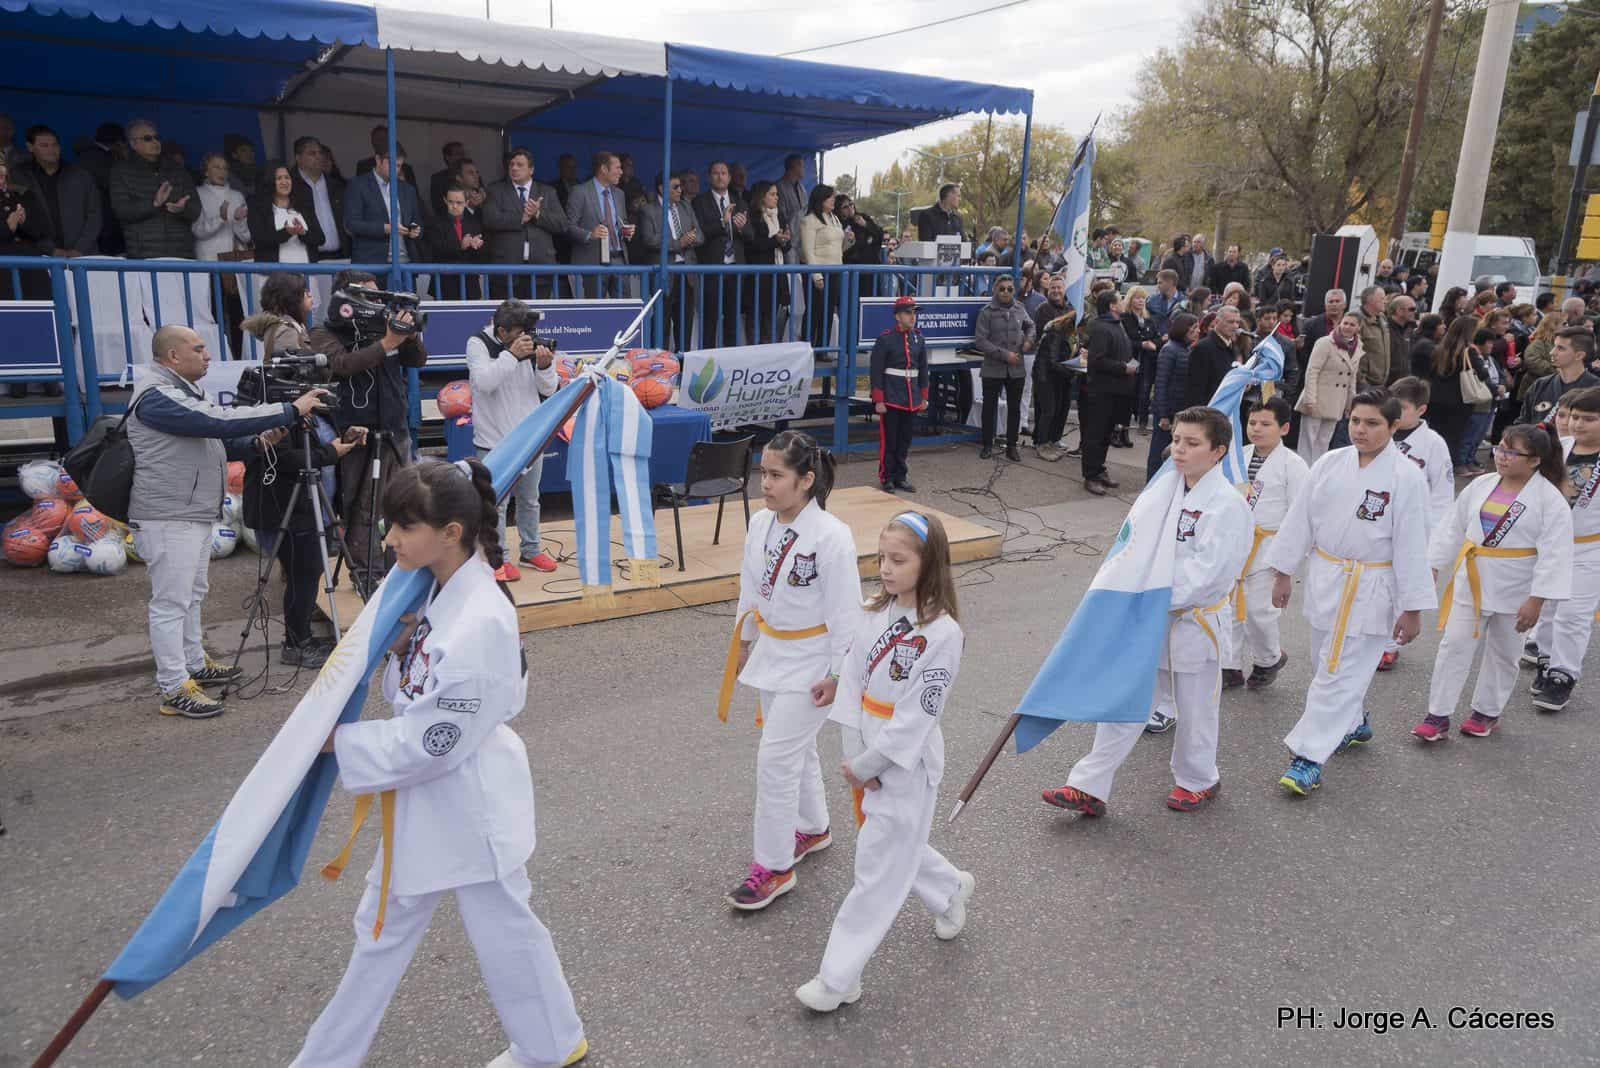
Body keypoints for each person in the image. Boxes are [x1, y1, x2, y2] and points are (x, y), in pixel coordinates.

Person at [291, 458, 587, 1068]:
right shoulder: (440, 589)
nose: (390, 539)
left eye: (405, 526)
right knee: (391, 931)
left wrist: (340, 743)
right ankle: (551, 1043)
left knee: (499, 933)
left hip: (467, 805)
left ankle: (550, 1045)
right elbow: (426, 699)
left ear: (450, 532)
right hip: (432, 801)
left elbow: (435, 740)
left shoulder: (477, 617)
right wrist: (402, 648)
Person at [796, 511, 973, 1013]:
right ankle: (950, 888)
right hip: (866, 747)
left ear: (929, 563)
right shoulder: (873, 611)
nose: (886, 569)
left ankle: (838, 979)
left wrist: (872, 763)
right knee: (893, 847)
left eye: (899, 560)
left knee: (875, 870)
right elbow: (851, 680)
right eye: (881, 558)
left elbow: (918, 716)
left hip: (906, 764)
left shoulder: (944, 634)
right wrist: (854, 754)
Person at [1042, 406, 1253, 817]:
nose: (1179, 450)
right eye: (1176, 440)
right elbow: (1133, 547)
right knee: (1124, 700)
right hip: (1149, 618)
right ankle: (1088, 785)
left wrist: (1151, 596)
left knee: (1195, 709)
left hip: (1194, 621)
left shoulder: (1228, 505)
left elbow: (1209, 575)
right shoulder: (1163, 492)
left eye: (1192, 443)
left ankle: (1198, 779)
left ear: (1218, 452)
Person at [129, 325, 324, 718]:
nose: (208, 356)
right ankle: (174, 686)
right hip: (169, 515)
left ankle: (193, 663)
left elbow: (216, 442)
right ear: (173, 356)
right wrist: (290, 409)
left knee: (192, 594)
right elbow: (218, 421)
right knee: (171, 602)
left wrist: (259, 442)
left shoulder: (185, 391)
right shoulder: (157, 396)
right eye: (199, 349)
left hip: (191, 511)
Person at [718, 431, 862, 910]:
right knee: (795, 752)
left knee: (775, 759)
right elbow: (750, 587)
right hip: (773, 651)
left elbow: (847, 614)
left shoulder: (832, 535)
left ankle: (775, 866)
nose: (765, 483)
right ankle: (814, 827)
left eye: (777, 475)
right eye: (763, 473)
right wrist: (743, 642)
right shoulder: (760, 523)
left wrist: (838, 675)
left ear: (806, 480)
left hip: (814, 661)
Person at [1265, 389, 1434, 796]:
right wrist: (1283, 571)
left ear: (1394, 426)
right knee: (1327, 663)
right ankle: (1353, 723)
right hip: (1327, 577)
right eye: (1356, 421)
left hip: (1372, 586)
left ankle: (1308, 757)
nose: (1361, 430)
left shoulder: (1407, 477)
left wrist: (1412, 608)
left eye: (1372, 423)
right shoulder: (1330, 463)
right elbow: (1300, 519)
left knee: (1336, 674)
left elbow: (1413, 544)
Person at [1412, 423, 1571, 741]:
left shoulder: (1549, 499)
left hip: (1518, 587)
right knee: (1454, 645)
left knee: (1504, 652)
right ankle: (1437, 714)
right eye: (1500, 448)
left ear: (1535, 460)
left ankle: (1486, 711)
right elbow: (1452, 527)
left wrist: (1537, 600)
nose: (1502, 456)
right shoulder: (1481, 485)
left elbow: (1555, 554)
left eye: (1513, 452)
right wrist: (1433, 565)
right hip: (1473, 578)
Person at [241, 274, 366, 667]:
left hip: (294, 487)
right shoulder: (285, 340)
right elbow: (287, 457)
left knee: (307, 567)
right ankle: (297, 644)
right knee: (305, 568)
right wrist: (330, 452)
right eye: (306, 292)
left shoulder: (288, 333)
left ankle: (300, 639)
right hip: (287, 499)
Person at [308, 269, 430, 594]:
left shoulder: (384, 325)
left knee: (404, 502)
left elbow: (418, 360)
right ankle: (365, 573)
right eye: (369, 296)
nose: (376, 304)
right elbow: (341, 364)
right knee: (362, 506)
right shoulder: (324, 331)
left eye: (378, 296)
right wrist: (388, 342)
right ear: (346, 297)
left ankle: (400, 567)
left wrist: (409, 335)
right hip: (355, 430)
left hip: (395, 427)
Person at [466, 299, 560, 580]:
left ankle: (531, 550)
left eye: (526, 333)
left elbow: (548, 389)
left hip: (530, 438)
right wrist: (511, 355)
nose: (524, 339)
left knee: (530, 500)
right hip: (493, 441)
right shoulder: (478, 343)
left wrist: (545, 366)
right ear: (501, 330)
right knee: (496, 504)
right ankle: (499, 558)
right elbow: (485, 383)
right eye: (518, 334)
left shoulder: (528, 341)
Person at [1227, 396, 1310, 691]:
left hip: (1270, 547)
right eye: (1252, 423)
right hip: (1236, 543)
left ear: (1284, 428)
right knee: (1230, 607)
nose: (1257, 429)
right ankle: (1229, 665)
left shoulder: (1293, 465)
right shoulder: (1239, 456)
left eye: (1265, 424)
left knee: (1258, 611)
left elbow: (1300, 514)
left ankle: (1268, 658)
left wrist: (1288, 561)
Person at [1376, 376, 1457, 672]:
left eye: (1404, 408)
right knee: (1375, 584)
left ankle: (1390, 645)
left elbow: (1442, 496)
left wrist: (1434, 546)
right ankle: (1370, 637)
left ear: (1421, 409)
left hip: (1415, 526)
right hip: (1378, 520)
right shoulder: (1381, 432)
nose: (1396, 412)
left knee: (1402, 584)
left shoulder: (1433, 444)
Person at [1527, 387, 1600, 712]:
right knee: (1547, 608)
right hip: (1551, 544)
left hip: (1590, 547)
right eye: (1575, 417)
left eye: (1589, 419)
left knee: (1574, 614)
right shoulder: (1559, 448)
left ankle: (1563, 674)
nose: (1578, 424)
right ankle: (1545, 660)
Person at [481, 147, 568, 300]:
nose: (514, 168)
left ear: (531, 170)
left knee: (536, 314)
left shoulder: (547, 191)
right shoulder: (495, 189)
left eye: (520, 165)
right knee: (507, 313)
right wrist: (521, 218)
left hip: (540, 269)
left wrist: (538, 214)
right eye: (511, 164)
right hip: (506, 269)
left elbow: (562, 224)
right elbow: (489, 219)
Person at [110, 120, 199, 258]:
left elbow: (196, 210)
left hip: (181, 253)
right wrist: (154, 203)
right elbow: (122, 211)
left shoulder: (178, 170)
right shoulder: (121, 171)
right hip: (144, 254)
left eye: (157, 137)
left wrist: (182, 210)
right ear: (133, 144)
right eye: (147, 138)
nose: (155, 142)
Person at [1081, 289, 1138, 495]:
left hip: (1117, 390)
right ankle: (1090, 475)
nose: (1123, 302)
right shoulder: (1100, 327)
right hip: (1102, 391)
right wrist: (1123, 368)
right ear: (1112, 306)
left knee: (1106, 434)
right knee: (1095, 434)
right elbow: (1097, 360)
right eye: (1120, 300)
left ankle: (1099, 469)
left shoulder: (1117, 323)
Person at [869, 296, 928, 492]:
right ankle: (887, 477)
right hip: (892, 397)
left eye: (914, 313)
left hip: (911, 398)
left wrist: (924, 397)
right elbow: (876, 371)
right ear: (897, 316)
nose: (913, 317)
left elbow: (923, 370)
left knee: (905, 440)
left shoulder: (919, 339)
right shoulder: (886, 339)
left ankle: (900, 476)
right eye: (908, 313)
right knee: (890, 441)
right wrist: (879, 400)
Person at [973, 274, 1035, 461]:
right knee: (989, 408)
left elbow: (1031, 326)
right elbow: (981, 341)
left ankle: (1011, 446)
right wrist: (1005, 355)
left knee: (1014, 408)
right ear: (995, 290)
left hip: (1016, 368)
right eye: (1002, 289)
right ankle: (987, 445)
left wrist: (1029, 341)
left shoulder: (1020, 308)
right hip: (993, 367)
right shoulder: (986, 312)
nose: (1006, 292)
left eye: (1009, 289)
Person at [692, 161, 753, 348]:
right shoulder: (699, 202)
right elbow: (700, 233)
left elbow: (751, 235)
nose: (720, 177)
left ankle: (729, 359)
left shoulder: (739, 201)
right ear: (709, 177)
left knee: (732, 318)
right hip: (712, 267)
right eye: (716, 173)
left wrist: (742, 228)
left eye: (724, 173)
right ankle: (708, 357)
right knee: (710, 318)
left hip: (735, 267)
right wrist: (722, 222)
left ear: (729, 177)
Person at [636, 171, 700, 349]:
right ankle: (659, 360)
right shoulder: (648, 210)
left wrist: (692, 238)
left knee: (685, 321)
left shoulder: (685, 206)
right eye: (675, 187)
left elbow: (700, 234)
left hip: (686, 273)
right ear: (662, 188)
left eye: (680, 186)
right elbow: (649, 239)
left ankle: (683, 361)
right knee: (662, 321)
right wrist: (679, 243)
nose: (680, 190)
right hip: (664, 274)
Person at [15, 125, 101, 255]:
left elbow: (95, 215)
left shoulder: (80, 175)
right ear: (30, 147)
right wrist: (49, 249)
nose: (51, 150)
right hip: (39, 256)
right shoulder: (19, 176)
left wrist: (80, 248)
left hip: (83, 254)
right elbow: (20, 219)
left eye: (55, 145)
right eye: (44, 145)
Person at [1295, 311, 1362, 464]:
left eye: (1352, 324)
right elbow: (1312, 371)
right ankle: (1302, 470)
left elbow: (1352, 379)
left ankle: (1318, 469)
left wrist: (1350, 404)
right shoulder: (1325, 342)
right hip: (1317, 397)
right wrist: (1309, 399)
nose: (1347, 327)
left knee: (1324, 441)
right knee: (1308, 440)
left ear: (1358, 327)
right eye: (1345, 323)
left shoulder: (1358, 348)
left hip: (1337, 401)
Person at [564, 151, 633, 296]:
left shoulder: (620, 194)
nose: (621, 172)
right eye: (618, 168)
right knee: (596, 308)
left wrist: (626, 231)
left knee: (625, 308)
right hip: (593, 262)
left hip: (619, 259)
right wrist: (590, 235)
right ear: (603, 169)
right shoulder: (580, 192)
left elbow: (622, 222)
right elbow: (568, 226)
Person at [345, 147, 422, 266]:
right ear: (378, 160)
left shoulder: (407, 189)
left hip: (404, 263)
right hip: (372, 264)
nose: (395, 169)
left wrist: (415, 230)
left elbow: (417, 222)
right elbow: (352, 224)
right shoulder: (358, 185)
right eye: (391, 164)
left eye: (398, 166)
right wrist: (385, 228)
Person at [798, 183, 846, 361]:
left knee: (828, 311)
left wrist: (849, 241)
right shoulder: (809, 220)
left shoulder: (834, 218)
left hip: (835, 271)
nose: (833, 200)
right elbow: (808, 250)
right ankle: (807, 349)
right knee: (814, 311)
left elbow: (837, 248)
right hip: (817, 271)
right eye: (830, 197)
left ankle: (822, 349)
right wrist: (816, 275)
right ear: (821, 199)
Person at [1149, 313, 1198, 480]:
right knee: (1159, 453)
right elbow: (1161, 383)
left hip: (1178, 409)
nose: (1197, 332)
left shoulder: (1186, 349)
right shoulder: (1169, 350)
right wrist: (1163, 414)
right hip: (1167, 411)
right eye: (1193, 329)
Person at [1517, 327, 1599, 426]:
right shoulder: (1540, 384)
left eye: (1560, 348)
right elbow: (1523, 422)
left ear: (1579, 355)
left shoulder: (1595, 389)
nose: (1552, 352)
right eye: (1554, 346)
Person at [745, 179, 792, 344]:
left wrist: (785, 241)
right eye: (772, 194)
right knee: (755, 319)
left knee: (772, 320)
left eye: (777, 194)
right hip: (759, 277)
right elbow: (752, 244)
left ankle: (769, 351)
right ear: (761, 196)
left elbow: (787, 247)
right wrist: (776, 241)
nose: (776, 197)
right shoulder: (752, 216)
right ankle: (755, 352)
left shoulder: (780, 216)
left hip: (777, 275)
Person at [248, 164, 320, 264]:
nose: (284, 182)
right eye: (279, 178)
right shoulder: (258, 207)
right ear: (270, 181)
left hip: (307, 270)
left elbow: (320, 238)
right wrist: (287, 232)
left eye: (287, 177)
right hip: (274, 271)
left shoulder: (303, 206)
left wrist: (303, 233)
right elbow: (260, 239)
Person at [1032, 307, 1079, 462]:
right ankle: (1041, 444)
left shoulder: (1068, 334)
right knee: (1048, 411)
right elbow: (1052, 362)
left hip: (1055, 377)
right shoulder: (1055, 332)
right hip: (1044, 376)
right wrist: (1071, 371)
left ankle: (1049, 441)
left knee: (1057, 410)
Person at [291, 136, 347, 262]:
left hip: (341, 257)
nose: (319, 157)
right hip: (307, 259)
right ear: (298, 158)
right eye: (312, 153)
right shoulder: (290, 187)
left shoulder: (337, 186)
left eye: (320, 153)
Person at [428, 185, 487, 299]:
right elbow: (435, 249)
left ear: (466, 203)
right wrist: (460, 246)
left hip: (469, 285)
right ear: (445, 200)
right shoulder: (435, 222)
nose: (454, 206)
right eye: (451, 202)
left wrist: (477, 246)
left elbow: (483, 255)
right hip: (444, 285)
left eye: (459, 203)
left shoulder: (475, 222)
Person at [192, 153, 251, 262]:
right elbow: (198, 232)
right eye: (217, 167)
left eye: (225, 168)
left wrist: (238, 221)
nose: (222, 172)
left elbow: (246, 237)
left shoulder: (237, 196)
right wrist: (220, 219)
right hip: (208, 259)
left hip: (236, 260)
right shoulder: (197, 193)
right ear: (206, 172)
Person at [1183, 304, 1240, 411]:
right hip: (1209, 410)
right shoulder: (1202, 348)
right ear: (1217, 322)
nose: (1235, 326)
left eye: (1237, 322)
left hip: (1228, 408)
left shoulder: (1233, 346)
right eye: (1230, 322)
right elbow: (1195, 388)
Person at [1124, 286, 1162, 434]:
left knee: (1145, 392)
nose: (1140, 301)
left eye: (1143, 298)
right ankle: (1124, 424)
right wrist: (1142, 344)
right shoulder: (1125, 318)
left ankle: (1143, 423)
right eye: (1137, 298)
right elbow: (1125, 340)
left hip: (1147, 361)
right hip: (1131, 359)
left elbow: (1157, 337)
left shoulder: (1149, 319)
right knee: (1129, 391)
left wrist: (1153, 343)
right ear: (1130, 299)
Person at [353, 124, 418, 187]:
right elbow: (361, 188)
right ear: (372, 141)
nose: (380, 142)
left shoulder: (406, 169)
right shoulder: (364, 166)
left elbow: (414, 192)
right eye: (377, 139)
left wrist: (402, 180)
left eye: (384, 138)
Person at [1516, 313, 1561, 398]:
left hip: (1549, 387)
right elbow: (1532, 362)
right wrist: (1556, 370)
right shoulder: (1539, 342)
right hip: (1535, 389)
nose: (1568, 326)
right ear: (1553, 325)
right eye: (1564, 324)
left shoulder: (1557, 343)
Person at [427, 140, 467, 218]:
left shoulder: (474, 175)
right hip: (448, 221)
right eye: (458, 154)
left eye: (463, 154)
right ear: (447, 157)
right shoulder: (438, 179)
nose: (462, 157)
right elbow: (438, 207)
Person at [1385, 295, 1417, 384]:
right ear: (1399, 310)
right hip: (1386, 382)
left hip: (1403, 383)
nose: (1415, 312)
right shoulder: (1385, 329)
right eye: (1412, 309)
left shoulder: (1410, 330)